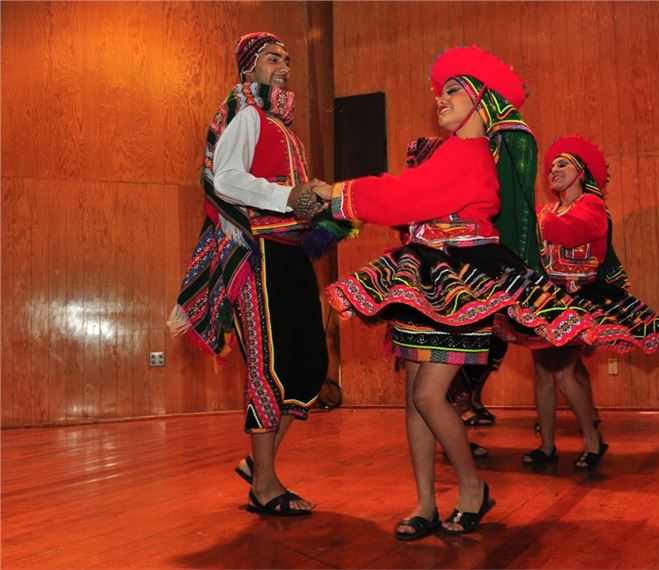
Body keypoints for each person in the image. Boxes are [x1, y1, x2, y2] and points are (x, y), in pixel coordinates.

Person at [312, 46, 597, 538]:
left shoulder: (470, 155)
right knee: (415, 396)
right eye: (439, 92)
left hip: (459, 280)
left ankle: (472, 488)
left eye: (451, 91)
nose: (439, 99)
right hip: (426, 273)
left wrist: (334, 192)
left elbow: (404, 196)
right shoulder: (450, 153)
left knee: (427, 394)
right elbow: (407, 195)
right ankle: (425, 503)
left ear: (481, 102)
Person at [168, 32, 331, 516]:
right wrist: (289, 197)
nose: (283, 65)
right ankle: (265, 486)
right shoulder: (247, 113)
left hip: (289, 253)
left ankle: (257, 465)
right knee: (269, 364)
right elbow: (226, 178)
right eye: (271, 58)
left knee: (307, 363)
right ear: (248, 68)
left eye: (286, 59)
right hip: (257, 256)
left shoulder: (285, 127)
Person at [521, 136, 659, 470]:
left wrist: (531, 225)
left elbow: (573, 230)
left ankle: (593, 439)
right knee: (544, 373)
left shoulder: (592, 207)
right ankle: (547, 445)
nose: (553, 170)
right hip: (549, 299)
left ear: (580, 172)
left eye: (562, 165)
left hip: (581, 299)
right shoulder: (545, 211)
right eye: (551, 167)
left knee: (562, 372)